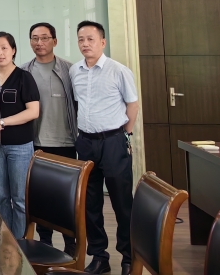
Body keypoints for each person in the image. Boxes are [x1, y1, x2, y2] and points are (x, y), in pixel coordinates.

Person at [70, 21, 138, 275]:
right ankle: (99, 256)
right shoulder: (74, 71)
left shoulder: (119, 71)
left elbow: (132, 105)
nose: (85, 44)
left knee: (122, 201)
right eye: (81, 39)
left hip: (113, 142)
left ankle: (129, 258)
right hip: (86, 142)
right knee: (90, 202)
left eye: (90, 39)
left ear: (102, 42)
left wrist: (125, 135)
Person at [22, 22, 78, 255]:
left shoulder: (70, 71)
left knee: (67, 198)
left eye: (44, 38)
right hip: (36, 144)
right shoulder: (24, 72)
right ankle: (45, 244)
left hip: (66, 143)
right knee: (40, 197)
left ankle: (71, 246)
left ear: (55, 41)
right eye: (35, 38)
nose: (39, 43)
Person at [0, 32, 40, 239]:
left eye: (4, 48)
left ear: (13, 50)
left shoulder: (24, 77)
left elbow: (33, 112)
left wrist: (1, 122)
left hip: (20, 146)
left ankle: (20, 244)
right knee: (0, 196)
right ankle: (4, 241)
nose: (0, 53)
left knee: (19, 198)